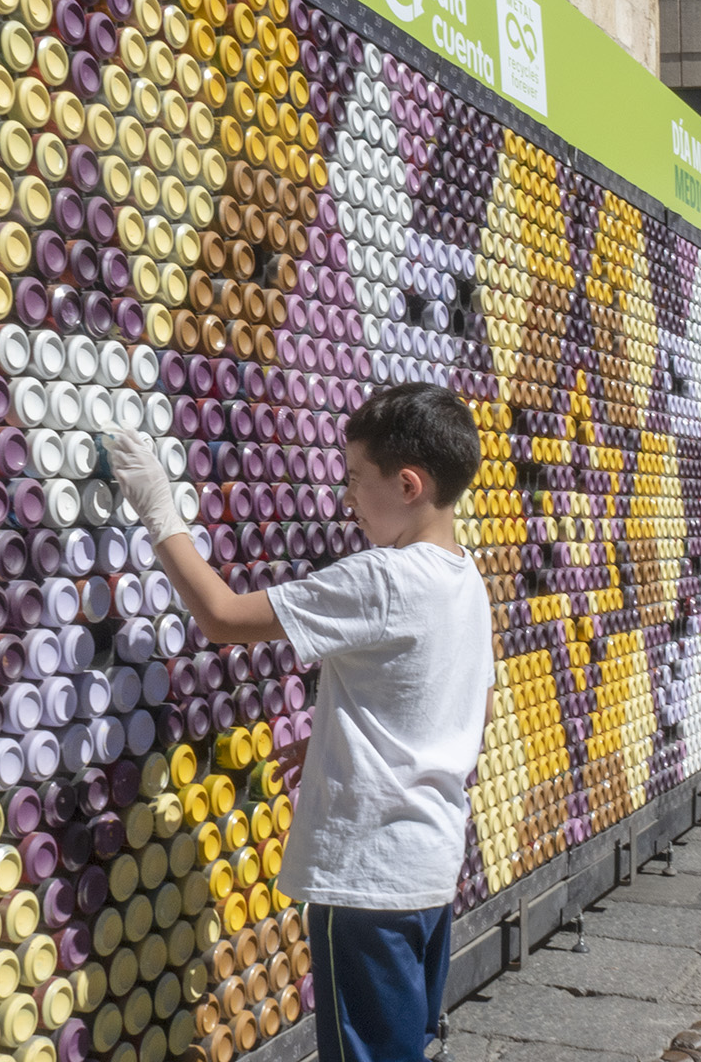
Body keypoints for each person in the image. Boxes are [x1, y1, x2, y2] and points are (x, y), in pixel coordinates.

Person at [104, 382, 492, 1062]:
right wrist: (343, 735)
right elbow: (468, 704)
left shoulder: (383, 578)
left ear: (407, 484)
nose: (347, 499)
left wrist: (159, 509)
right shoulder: (466, 577)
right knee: (413, 1046)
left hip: (367, 879)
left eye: (355, 480)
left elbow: (222, 616)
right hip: (429, 868)